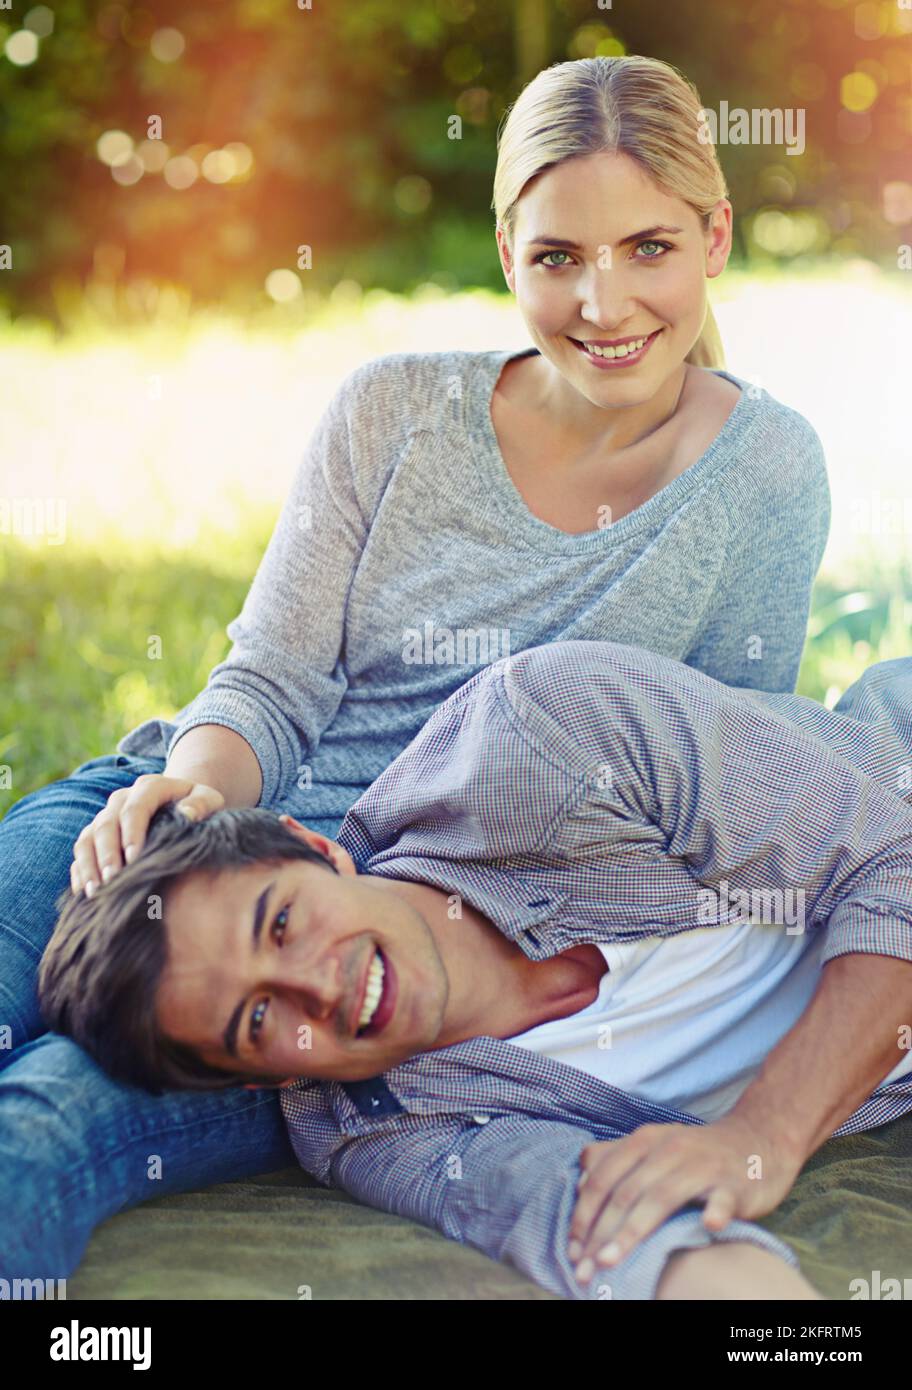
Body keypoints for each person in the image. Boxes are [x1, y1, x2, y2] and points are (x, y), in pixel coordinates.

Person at [0, 55, 829, 1280]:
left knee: (46, 1122)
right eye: (558, 258)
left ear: (714, 238)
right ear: (508, 254)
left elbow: (724, 772)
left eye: (647, 248)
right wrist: (194, 790)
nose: (603, 304)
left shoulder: (764, 473)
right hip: (215, 829)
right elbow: (271, 679)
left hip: (362, 959)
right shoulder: (391, 411)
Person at [38, 639, 912, 1300]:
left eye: (283, 923)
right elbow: (616, 1233)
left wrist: (760, 1137)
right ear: (258, 1080)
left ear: (313, 849)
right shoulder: (374, 1128)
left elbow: (896, 860)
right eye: (258, 1022)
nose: (318, 987)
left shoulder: (546, 732)